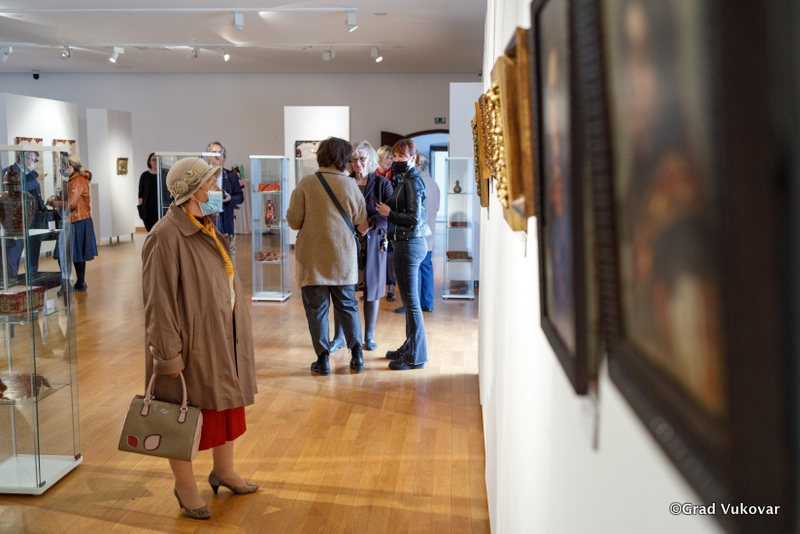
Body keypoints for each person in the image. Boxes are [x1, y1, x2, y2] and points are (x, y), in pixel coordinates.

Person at [142, 157, 258, 521]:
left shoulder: (206, 226)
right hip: (191, 344)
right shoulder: (165, 235)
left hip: (221, 337)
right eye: (211, 184)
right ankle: (185, 487)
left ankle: (224, 471)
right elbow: (158, 304)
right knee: (184, 417)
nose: (217, 190)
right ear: (193, 192)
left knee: (225, 407)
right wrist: (167, 359)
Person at [286, 137, 367, 375]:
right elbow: (360, 219)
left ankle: (322, 360)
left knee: (316, 310)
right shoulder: (350, 185)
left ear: (321, 156)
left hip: (312, 259)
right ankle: (357, 357)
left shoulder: (306, 183)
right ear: (345, 158)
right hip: (342, 258)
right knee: (348, 307)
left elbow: (293, 221)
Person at [330, 141, 393, 352]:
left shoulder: (383, 184)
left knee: (371, 291)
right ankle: (339, 337)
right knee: (343, 291)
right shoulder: (343, 182)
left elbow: (390, 215)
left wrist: (371, 222)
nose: (358, 163)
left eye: (362, 158)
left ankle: (369, 336)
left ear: (371, 159)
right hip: (346, 245)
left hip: (373, 245)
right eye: (354, 159)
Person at [375, 139, 431, 370]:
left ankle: (415, 356)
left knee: (412, 304)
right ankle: (409, 347)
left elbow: (414, 218)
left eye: (401, 156)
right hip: (405, 243)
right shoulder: (406, 179)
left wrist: (389, 213)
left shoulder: (413, 181)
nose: (396, 160)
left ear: (413, 158)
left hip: (409, 244)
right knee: (409, 303)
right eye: (395, 156)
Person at [394, 153, 439, 314]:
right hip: (430, 233)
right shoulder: (434, 184)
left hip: (416, 233)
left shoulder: (416, 182)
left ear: (418, 165)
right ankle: (427, 302)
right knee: (426, 267)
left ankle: (415, 304)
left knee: (414, 269)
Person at [47, 155, 97, 292]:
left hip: (76, 221)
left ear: (70, 167)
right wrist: (56, 199)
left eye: (63, 167)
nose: (61, 170)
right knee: (74, 254)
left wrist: (53, 202)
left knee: (66, 254)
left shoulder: (76, 182)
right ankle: (78, 283)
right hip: (76, 220)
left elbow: (70, 204)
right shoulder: (72, 181)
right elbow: (68, 200)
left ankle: (70, 284)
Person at [4, 151, 48, 276]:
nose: (35, 163)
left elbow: (37, 196)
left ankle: (32, 280)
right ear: (24, 159)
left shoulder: (34, 174)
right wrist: (36, 182)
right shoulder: (9, 172)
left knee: (33, 253)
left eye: (36, 161)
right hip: (17, 221)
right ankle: (13, 282)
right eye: (34, 160)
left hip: (34, 220)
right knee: (14, 254)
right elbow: (14, 190)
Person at [205, 142, 243, 262]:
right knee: (208, 254)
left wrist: (230, 198)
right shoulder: (202, 175)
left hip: (224, 218)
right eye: (214, 152)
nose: (218, 155)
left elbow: (240, 197)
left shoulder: (231, 176)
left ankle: (227, 274)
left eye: (220, 152)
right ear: (208, 156)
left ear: (223, 156)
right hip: (206, 218)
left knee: (226, 255)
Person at [375, 145, 397, 302]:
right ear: (380, 158)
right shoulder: (370, 175)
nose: (389, 161)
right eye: (387, 158)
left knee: (390, 256)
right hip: (374, 218)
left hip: (390, 219)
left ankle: (391, 289)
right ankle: (373, 287)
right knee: (375, 254)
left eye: (391, 158)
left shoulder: (395, 176)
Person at [138, 153, 164, 231]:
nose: (156, 162)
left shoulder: (165, 173)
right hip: (148, 207)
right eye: (154, 160)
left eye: (158, 160)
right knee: (151, 229)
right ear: (149, 161)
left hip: (162, 206)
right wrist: (141, 208)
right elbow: (141, 194)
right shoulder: (144, 175)